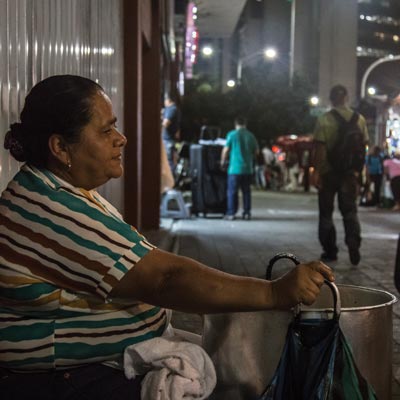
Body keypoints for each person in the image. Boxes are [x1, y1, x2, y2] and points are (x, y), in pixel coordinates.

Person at [0, 75, 334, 400]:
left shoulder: (58, 191)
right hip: (67, 381)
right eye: (105, 131)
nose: (121, 138)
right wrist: (274, 292)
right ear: (60, 147)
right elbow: (165, 279)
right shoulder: (49, 209)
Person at [313, 84, 369, 266]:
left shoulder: (324, 119)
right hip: (349, 174)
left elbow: (320, 149)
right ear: (347, 98)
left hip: (329, 173)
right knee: (350, 212)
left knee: (326, 214)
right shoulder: (359, 119)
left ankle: (330, 251)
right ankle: (353, 244)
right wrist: (359, 173)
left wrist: (317, 172)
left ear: (331, 99)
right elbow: (363, 148)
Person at [221, 116, 259, 220]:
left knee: (232, 192)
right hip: (248, 169)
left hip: (234, 168)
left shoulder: (232, 134)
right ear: (245, 124)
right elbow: (256, 152)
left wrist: (223, 161)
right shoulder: (251, 136)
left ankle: (231, 213)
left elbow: (225, 150)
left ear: (235, 124)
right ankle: (246, 213)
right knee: (246, 192)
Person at [161, 94, 181, 174]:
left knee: (169, 162)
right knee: (170, 161)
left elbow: (166, 123)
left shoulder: (171, 109)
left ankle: (172, 179)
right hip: (170, 139)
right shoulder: (174, 109)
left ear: (168, 100)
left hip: (168, 140)